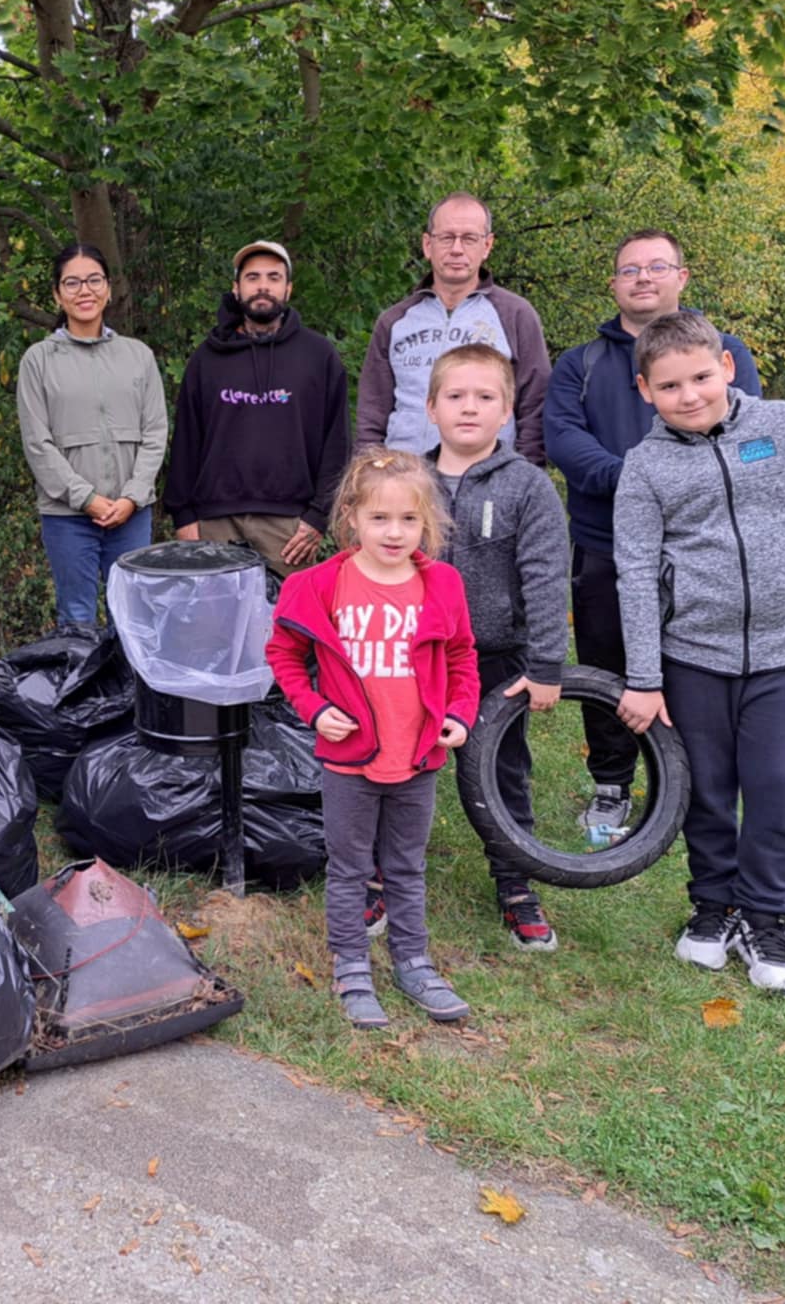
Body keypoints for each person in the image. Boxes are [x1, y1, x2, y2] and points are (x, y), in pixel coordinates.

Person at [613, 311, 785, 997]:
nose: (689, 395)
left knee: (777, 789)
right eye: (670, 386)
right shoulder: (644, 468)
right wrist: (644, 677)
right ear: (645, 390)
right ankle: (714, 906)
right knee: (705, 791)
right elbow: (634, 572)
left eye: (701, 377)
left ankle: (766, 918)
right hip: (693, 659)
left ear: (727, 367)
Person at [544, 229, 762, 845]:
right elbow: (563, 439)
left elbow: (744, 436)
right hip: (605, 547)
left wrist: (666, 487)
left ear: (681, 278)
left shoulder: (726, 352)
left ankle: (693, 785)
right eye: (630, 269)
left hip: (700, 546)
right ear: (614, 284)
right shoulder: (580, 364)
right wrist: (639, 482)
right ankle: (611, 785)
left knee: (698, 669)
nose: (643, 277)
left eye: (657, 267)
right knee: (607, 672)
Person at [266, 448, 480, 1030]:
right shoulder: (319, 585)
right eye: (379, 518)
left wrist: (460, 714)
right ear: (352, 518)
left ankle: (413, 962)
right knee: (350, 868)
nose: (394, 532)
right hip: (350, 761)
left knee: (407, 866)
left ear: (427, 522)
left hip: (417, 757)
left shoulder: (443, 585)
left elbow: (462, 657)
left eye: (408, 519)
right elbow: (284, 654)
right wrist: (314, 709)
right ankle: (351, 966)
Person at [424, 345, 571, 951]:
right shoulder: (406, 482)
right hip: (414, 659)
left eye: (485, 397)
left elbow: (546, 579)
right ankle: (380, 876)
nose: (469, 408)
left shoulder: (528, 487)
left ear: (506, 410)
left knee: (501, 771)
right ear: (431, 408)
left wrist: (546, 663)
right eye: (455, 396)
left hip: (497, 658)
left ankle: (515, 882)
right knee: (394, 769)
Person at [165, 240, 350, 579]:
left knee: (286, 614)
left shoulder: (318, 356)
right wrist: (183, 515)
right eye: (252, 277)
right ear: (236, 288)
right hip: (214, 522)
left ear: (288, 288)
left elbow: (336, 443)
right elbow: (186, 441)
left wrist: (318, 517)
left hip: (289, 528)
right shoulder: (207, 359)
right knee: (215, 614)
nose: (263, 286)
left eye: (273, 277)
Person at [16, 243, 168, 626]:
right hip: (67, 515)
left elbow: (155, 432)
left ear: (108, 288)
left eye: (94, 280)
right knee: (76, 617)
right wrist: (86, 499)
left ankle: (127, 673)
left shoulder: (138, 355)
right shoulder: (38, 360)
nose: (84, 291)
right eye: (72, 283)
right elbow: (37, 442)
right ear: (57, 294)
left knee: (131, 619)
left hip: (131, 514)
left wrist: (132, 496)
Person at [355, 192, 551, 466]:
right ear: (427, 245)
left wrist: (523, 474)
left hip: (490, 476)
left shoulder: (516, 315)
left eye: (469, 238)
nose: (457, 249)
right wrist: (369, 471)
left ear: (487, 245)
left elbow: (535, 406)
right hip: (405, 477)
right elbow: (372, 413)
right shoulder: (395, 321)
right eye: (446, 238)